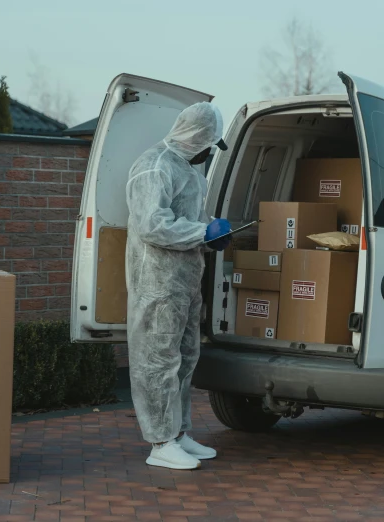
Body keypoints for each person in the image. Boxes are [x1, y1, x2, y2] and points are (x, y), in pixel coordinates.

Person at [126, 102, 231, 470]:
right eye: (208, 144)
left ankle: (179, 433)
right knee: (157, 359)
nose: (208, 153)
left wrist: (210, 233)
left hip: (185, 279)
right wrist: (202, 231)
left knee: (185, 357)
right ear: (194, 137)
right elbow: (151, 224)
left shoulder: (191, 171)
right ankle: (160, 442)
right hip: (157, 280)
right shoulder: (155, 166)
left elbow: (191, 221)